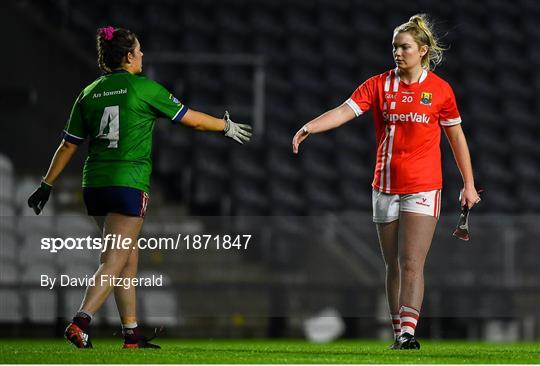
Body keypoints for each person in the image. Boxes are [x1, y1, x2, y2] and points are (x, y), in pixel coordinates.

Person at [27, 26, 252, 349]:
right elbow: (193, 120)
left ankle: (131, 334)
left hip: (94, 185)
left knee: (127, 256)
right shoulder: (143, 89)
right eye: (139, 50)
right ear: (129, 56)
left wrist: (46, 185)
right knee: (116, 258)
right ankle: (80, 322)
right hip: (127, 184)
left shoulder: (89, 92)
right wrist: (225, 126)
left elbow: (68, 146)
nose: (143, 54)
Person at [292, 14, 480, 350]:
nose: (398, 52)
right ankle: (399, 333)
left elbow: (456, 137)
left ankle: (408, 332)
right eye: (395, 47)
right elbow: (343, 111)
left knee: (412, 263)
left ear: (422, 50)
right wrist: (309, 127)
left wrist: (468, 183)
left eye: (405, 47)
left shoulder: (440, 91)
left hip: (424, 186)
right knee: (392, 264)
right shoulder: (378, 85)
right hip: (384, 185)